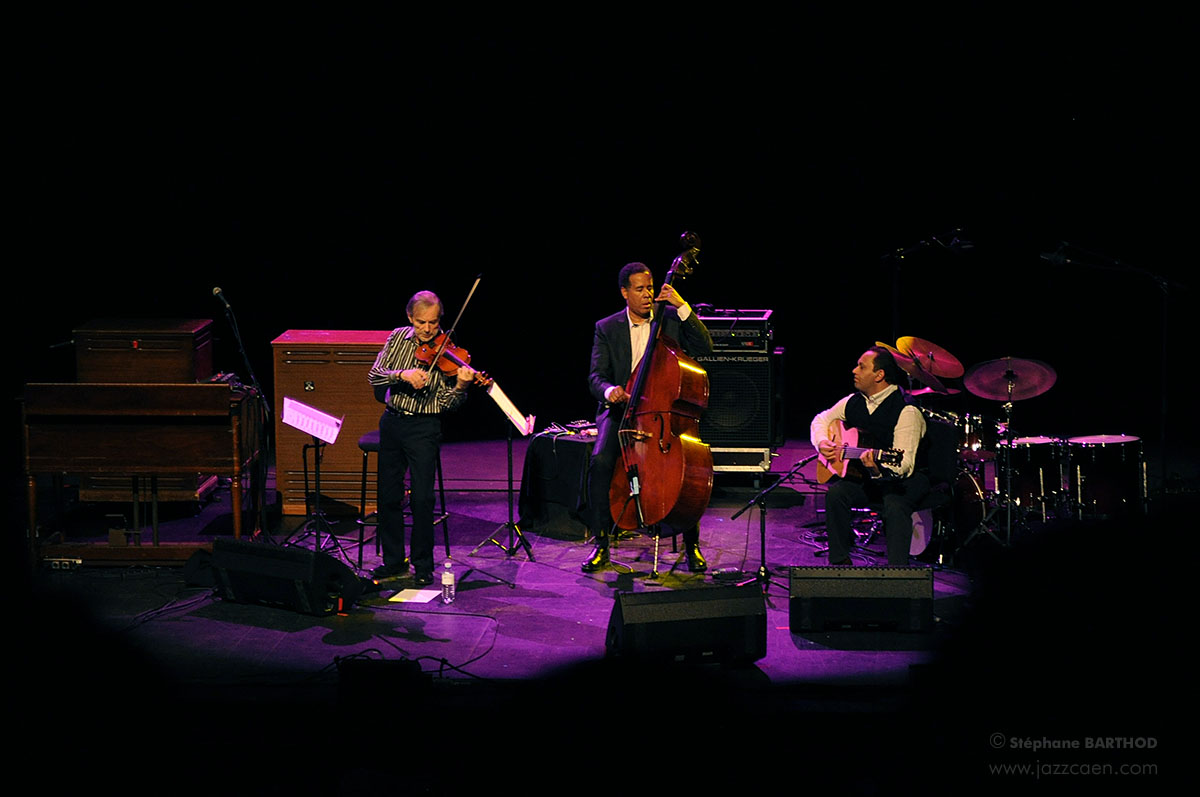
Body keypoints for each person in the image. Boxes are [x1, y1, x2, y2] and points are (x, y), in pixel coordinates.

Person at [582, 262, 714, 573]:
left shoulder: (669, 319)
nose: (646, 295)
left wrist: (682, 306)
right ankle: (601, 542)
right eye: (639, 289)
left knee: (684, 469)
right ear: (624, 293)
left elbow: (704, 346)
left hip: (662, 413)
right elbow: (595, 377)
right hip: (622, 412)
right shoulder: (606, 327)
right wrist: (610, 390)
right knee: (601, 461)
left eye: (650, 288)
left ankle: (691, 543)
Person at [367, 291, 476, 586]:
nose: (427, 330)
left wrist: (461, 388)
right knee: (388, 496)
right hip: (392, 423)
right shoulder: (397, 338)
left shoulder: (449, 352)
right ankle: (393, 561)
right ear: (409, 318)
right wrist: (402, 374)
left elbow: (448, 405)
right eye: (420, 323)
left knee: (423, 500)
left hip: (424, 428)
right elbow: (374, 376)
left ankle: (423, 565)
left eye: (433, 323)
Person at [809, 345, 929, 567]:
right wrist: (822, 442)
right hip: (869, 479)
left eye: (861, 367)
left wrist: (877, 468)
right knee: (837, 494)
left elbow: (903, 465)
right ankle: (840, 563)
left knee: (894, 505)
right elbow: (821, 419)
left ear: (879, 375)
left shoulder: (907, 411)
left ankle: (897, 572)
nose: (854, 370)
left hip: (904, 482)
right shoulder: (854, 401)